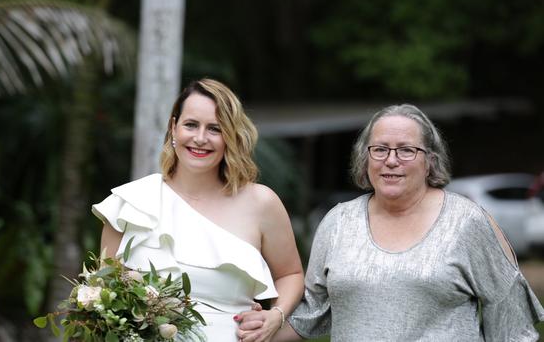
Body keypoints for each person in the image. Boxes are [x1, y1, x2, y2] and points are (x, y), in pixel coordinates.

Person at [237, 104, 544, 341]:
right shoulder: (339, 222)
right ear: (365, 158)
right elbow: (312, 314)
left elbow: (513, 325)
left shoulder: (466, 222)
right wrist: (265, 323)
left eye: (407, 150)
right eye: (380, 149)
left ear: (430, 161)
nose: (391, 160)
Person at [92, 78, 304, 341]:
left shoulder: (261, 203)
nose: (200, 138)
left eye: (215, 129)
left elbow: (291, 273)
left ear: (230, 136)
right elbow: (102, 298)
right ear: (173, 128)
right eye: (191, 125)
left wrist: (276, 315)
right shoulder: (130, 203)